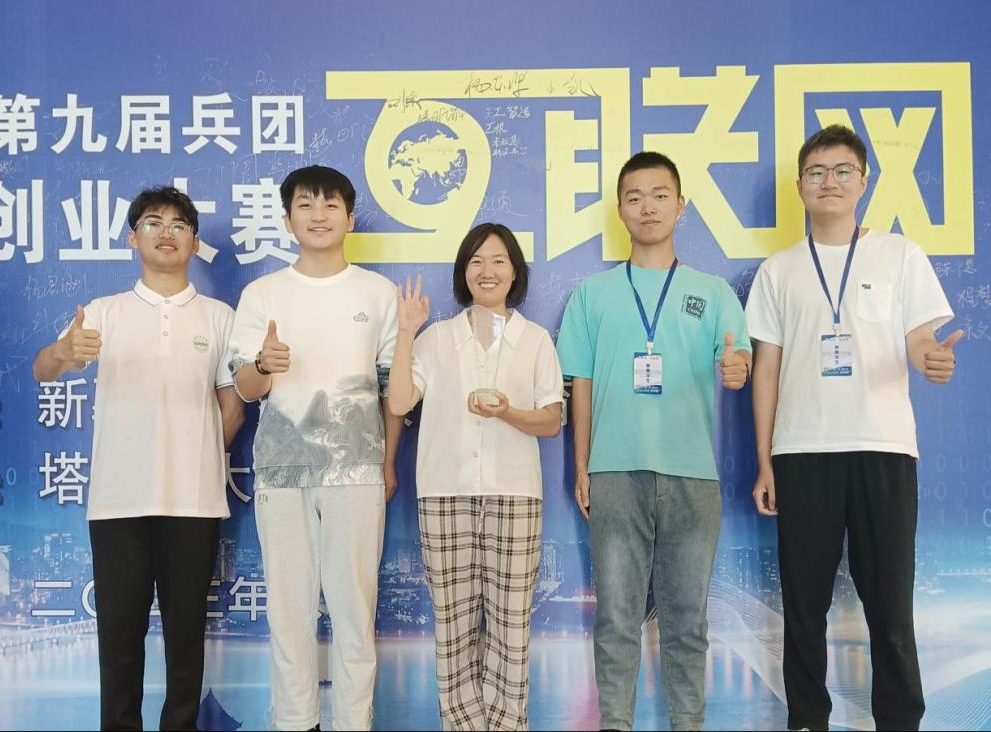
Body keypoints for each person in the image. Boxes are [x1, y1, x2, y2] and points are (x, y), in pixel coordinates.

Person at [746, 124, 962, 732]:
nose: (830, 182)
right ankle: (807, 721)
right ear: (800, 186)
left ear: (863, 181)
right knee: (803, 608)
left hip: (882, 448)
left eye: (843, 171)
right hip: (801, 451)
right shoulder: (779, 270)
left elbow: (920, 339)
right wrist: (765, 461)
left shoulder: (900, 255)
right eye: (816, 172)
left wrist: (931, 358)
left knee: (890, 605)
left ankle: (900, 721)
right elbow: (767, 370)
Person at [32, 186, 245, 731]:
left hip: (193, 503)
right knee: (119, 640)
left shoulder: (219, 317)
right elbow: (44, 369)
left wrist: (196, 451)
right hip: (118, 503)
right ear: (133, 238)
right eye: (153, 223)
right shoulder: (104, 313)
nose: (166, 233)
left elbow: (233, 404)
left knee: (186, 641)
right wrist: (62, 351)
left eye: (179, 225)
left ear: (194, 242)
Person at [556, 152, 751, 731]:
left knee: (688, 623)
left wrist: (736, 368)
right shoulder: (592, 295)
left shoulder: (712, 292)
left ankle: (688, 724)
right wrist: (582, 465)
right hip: (614, 473)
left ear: (681, 205)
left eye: (660, 195)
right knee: (617, 621)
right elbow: (581, 385)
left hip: (692, 475)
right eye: (635, 196)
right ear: (620, 209)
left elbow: (737, 357)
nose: (648, 207)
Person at [227, 165, 402, 731]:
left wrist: (386, 463)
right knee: (289, 615)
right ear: (287, 220)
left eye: (331, 206)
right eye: (306, 205)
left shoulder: (378, 293)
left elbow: (392, 393)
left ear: (350, 219)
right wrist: (263, 365)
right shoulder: (262, 294)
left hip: (358, 473)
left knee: (355, 614)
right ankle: (294, 723)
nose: (319, 215)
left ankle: (353, 723)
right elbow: (245, 387)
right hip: (282, 472)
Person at [388, 222, 563, 731]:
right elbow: (398, 403)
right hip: (445, 495)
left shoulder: (535, 340)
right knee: (454, 629)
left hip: (516, 495)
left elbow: (551, 420)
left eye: (499, 261)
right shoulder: (436, 338)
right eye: (476, 261)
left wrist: (508, 412)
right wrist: (406, 332)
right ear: (464, 272)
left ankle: (508, 725)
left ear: (515, 272)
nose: (487, 271)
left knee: (511, 629)